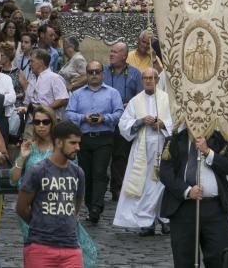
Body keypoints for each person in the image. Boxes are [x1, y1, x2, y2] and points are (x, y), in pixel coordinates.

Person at [159, 127, 228, 268]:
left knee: (219, 257)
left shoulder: (219, 139)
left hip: (215, 209)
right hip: (183, 209)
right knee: (185, 259)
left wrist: (208, 152)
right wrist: (187, 191)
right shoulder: (175, 140)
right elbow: (165, 173)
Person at [16, 120, 85, 268]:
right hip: (40, 247)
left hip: (71, 247)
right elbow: (21, 208)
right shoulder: (37, 171)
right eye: (72, 143)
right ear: (59, 143)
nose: (77, 147)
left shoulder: (78, 173)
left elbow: (76, 204)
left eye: (78, 143)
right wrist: (40, 223)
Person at [113, 68, 172, 235]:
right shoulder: (135, 101)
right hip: (142, 148)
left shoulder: (167, 99)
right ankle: (146, 222)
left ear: (157, 80)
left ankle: (164, 218)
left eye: (151, 78)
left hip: (163, 147)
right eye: (145, 78)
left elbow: (178, 121)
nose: (148, 81)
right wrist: (140, 122)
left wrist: (163, 124)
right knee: (145, 185)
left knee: (162, 184)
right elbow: (123, 123)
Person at [65, 61, 123, 224]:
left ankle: (97, 206)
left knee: (99, 172)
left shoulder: (112, 93)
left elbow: (119, 112)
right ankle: (91, 206)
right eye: (91, 72)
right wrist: (84, 117)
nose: (94, 75)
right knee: (86, 174)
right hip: (83, 138)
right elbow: (69, 113)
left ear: (102, 73)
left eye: (97, 71)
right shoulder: (77, 94)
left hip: (104, 136)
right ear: (87, 74)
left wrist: (105, 118)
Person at [103, 41, 143, 201]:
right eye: (111, 51)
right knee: (103, 156)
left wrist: (129, 104)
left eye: (115, 52)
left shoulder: (134, 74)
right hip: (104, 121)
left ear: (125, 56)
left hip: (124, 122)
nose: (111, 54)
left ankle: (117, 188)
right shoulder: (103, 71)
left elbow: (140, 97)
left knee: (120, 157)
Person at [10, 105, 56, 236]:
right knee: (33, 246)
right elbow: (13, 180)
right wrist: (22, 158)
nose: (41, 125)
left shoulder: (60, 148)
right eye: (37, 122)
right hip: (30, 204)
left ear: (52, 123)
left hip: (54, 204)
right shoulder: (29, 147)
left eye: (45, 122)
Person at [21, 49, 68, 121]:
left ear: (41, 62)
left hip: (50, 122)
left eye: (32, 61)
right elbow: (27, 102)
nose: (30, 64)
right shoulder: (32, 80)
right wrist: (25, 111)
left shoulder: (54, 78)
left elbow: (63, 99)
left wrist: (44, 110)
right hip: (31, 122)